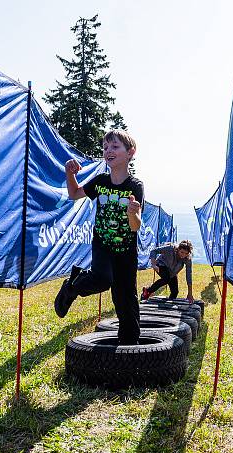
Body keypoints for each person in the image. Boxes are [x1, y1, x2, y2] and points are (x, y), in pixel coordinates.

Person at [54, 130, 144, 345]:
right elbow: (74, 193)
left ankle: (130, 346)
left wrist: (133, 212)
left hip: (126, 249)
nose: (108, 151)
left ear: (130, 152)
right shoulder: (101, 181)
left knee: (125, 298)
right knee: (103, 279)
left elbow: (135, 226)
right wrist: (70, 174)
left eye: (114, 147)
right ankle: (72, 286)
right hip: (103, 244)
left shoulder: (135, 186)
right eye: (105, 147)